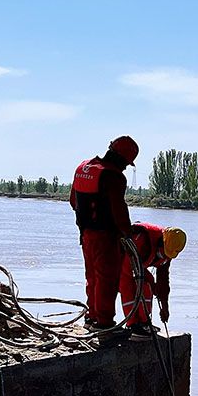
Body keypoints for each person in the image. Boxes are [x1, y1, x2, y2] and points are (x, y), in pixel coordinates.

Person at [70, 136, 138, 329]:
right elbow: (119, 211)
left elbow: (73, 201)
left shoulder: (83, 168)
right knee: (107, 280)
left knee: (92, 277)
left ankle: (92, 317)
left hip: (86, 234)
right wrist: (128, 235)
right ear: (121, 158)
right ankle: (104, 324)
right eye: (126, 164)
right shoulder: (113, 176)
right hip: (106, 236)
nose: (125, 168)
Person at [119, 222, 186, 338]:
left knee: (149, 287)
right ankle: (133, 325)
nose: (165, 256)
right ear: (162, 241)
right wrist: (146, 281)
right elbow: (127, 270)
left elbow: (163, 279)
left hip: (137, 266)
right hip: (120, 262)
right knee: (130, 287)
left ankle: (144, 322)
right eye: (164, 252)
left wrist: (164, 305)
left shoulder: (170, 248)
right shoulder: (142, 240)